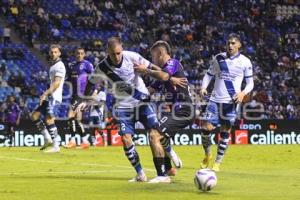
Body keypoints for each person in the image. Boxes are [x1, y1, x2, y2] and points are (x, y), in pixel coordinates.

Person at [80, 37, 182, 183]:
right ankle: (140, 173)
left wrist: (170, 78)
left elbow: (154, 68)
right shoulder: (102, 67)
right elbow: (90, 83)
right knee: (126, 140)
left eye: (118, 53)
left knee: (156, 133)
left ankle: (168, 158)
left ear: (121, 48)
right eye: (113, 54)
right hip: (122, 107)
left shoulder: (132, 56)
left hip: (142, 102)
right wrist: (85, 98)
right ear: (107, 51)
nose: (117, 56)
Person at [134, 40, 194, 176]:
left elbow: (165, 75)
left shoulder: (173, 63)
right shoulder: (163, 76)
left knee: (154, 134)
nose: (152, 59)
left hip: (184, 110)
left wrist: (146, 70)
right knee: (159, 136)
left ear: (160, 53)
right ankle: (169, 169)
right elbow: (149, 91)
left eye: (153, 56)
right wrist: (130, 92)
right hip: (176, 111)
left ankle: (162, 176)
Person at [199, 33, 254, 171]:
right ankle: (207, 155)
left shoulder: (245, 62)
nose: (230, 45)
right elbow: (208, 75)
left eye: (233, 43)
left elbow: (250, 83)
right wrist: (204, 87)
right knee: (206, 128)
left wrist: (242, 93)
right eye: (228, 43)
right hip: (214, 100)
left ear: (239, 45)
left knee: (225, 131)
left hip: (231, 102)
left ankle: (217, 162)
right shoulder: (218, 58)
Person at [31, 44, 66, 153]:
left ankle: (56, 146)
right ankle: (47, 138)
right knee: (34, 116)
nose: (53, 54)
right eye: (52, 52)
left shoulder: (60, 65)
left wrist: (45, 94)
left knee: (49, 119)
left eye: (56, 52)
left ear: (59, 53)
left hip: (54, 97)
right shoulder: (53, 66)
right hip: (49, 96)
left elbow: (56, 83)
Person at [65, 47, 94, 149]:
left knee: (70, 115)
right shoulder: (71, 65)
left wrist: (90, 95)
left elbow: (94, 79)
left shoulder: (87, 65)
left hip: (81, 95)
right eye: (77, 53)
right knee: (77, 119)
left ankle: (72, 141)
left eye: (81, 53)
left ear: (84, 54)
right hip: (74, 94)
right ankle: (85, 141)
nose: (79, 55)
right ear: (75, 54)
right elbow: (68, 79)